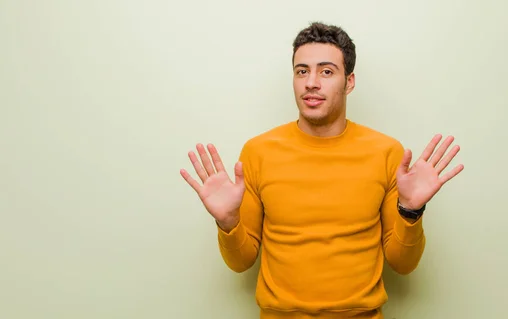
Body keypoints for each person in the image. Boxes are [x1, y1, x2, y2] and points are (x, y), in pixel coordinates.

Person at [180, 22, 464, 319]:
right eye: (302, 71)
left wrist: (411, 211)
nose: (311, 83)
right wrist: (227, 222)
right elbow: (241, 262)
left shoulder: (387, 153)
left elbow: (403, 265)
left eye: (326, 71)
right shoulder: (258, 152)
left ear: (349, 82)